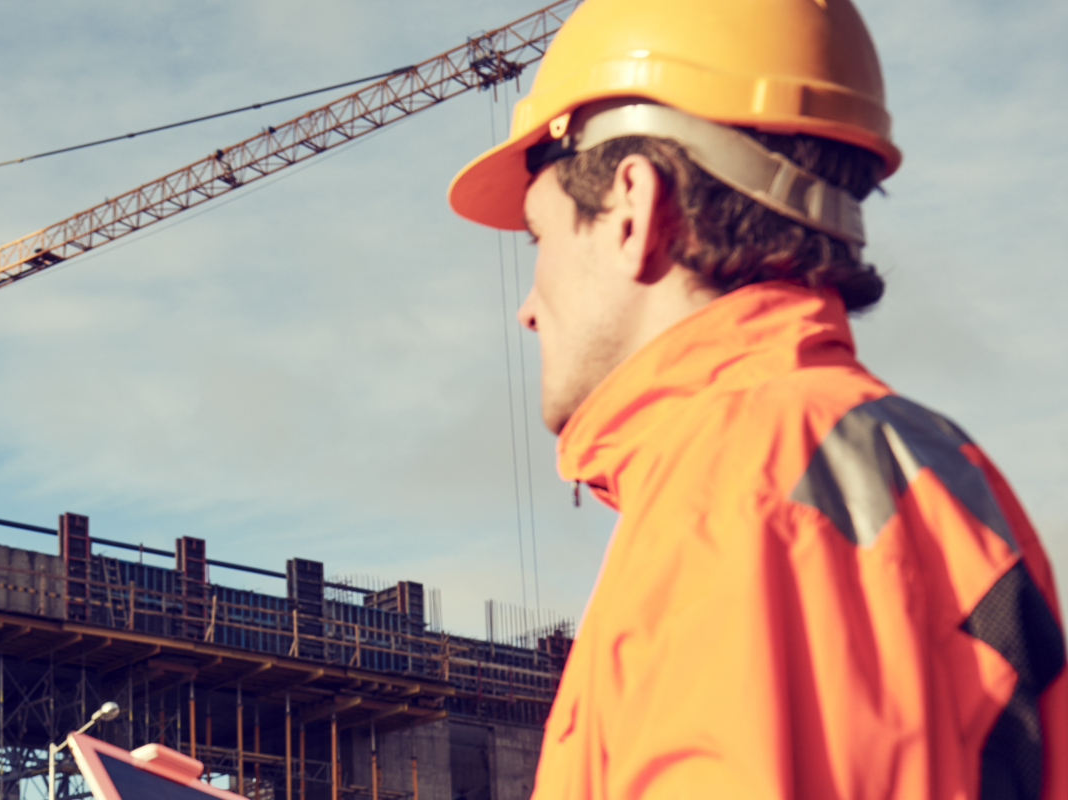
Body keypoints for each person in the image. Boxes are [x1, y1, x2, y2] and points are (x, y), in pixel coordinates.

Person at [444, 0, 1066, 797]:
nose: (529, 305)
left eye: (542, 237)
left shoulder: (737, 496)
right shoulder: (939, 474)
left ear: (634, 207)